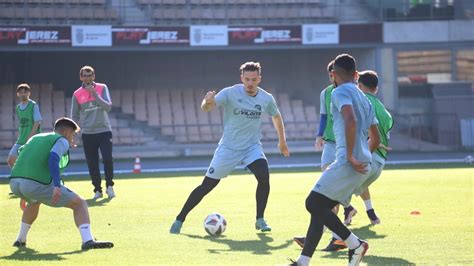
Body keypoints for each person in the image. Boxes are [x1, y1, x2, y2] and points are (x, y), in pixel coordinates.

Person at [170, 62, 290, 234]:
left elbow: (276, 117)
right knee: (207, 186)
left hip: (251, 147)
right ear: (241, 78)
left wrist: (282, 142)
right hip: (228, 148)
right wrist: (206, 100)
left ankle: (260, 219)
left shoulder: (266, 98)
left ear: (259, 79)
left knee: (264, 176)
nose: (250, 83)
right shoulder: (230, 93)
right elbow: (207, 108)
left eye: (253, 80)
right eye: (247, 79)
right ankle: (179, 219)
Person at [289, 54, 380, 266]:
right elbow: (375, 137)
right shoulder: (366, 99)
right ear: (356, 75)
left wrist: (349, 156)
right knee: (320, 209)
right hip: (362, 164)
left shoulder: (338, 92)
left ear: (333, 75)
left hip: (347, 162)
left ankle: (355, 244)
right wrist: (361, 156)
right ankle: (302, 262)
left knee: (312, 203)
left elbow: (350, 119)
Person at [9, 117, 114, 250]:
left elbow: (18, 156)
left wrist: (23, 189)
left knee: (34, 201)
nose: (73, 138)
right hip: (34, 184)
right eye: (73, 134)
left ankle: (20, 240)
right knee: (80, 203)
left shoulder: (36, 137)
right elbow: (53, 158)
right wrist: (57, 186)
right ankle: (88, 241)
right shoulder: (61, 140)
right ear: (65, 131)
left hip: (15, 182)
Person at [71, 66, 115, 199]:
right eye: (85, 75)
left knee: (107, 159)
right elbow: (75, 116)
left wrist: (95, 94)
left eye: (90, 75)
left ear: (94, 76)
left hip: (104, 131)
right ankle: (97, 189)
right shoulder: (77, 94)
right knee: (92, 163)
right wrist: (72, 134)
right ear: (81, 77)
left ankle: (109, 186)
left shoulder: (102, 88)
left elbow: (108, 107)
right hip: (88, 133)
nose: (87, 78)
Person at [7, 84, 42, 168]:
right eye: (21, 92)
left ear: (29, 93)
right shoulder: (18, 108)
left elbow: (37, 122)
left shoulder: (33, 105)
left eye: (25, 92)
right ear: (18, 94)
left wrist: (30, 136)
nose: (23, 94)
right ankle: (18, 176)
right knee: (11, 159)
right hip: (21, 139)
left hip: (33, 139)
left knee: (33, 162)